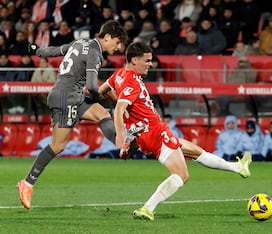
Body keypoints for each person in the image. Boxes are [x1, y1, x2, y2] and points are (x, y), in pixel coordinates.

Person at [99, 42, 252, 221]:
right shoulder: (131, 80)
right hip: (155, 131)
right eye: (147, 61)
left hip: (144, 134)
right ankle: (147, 208)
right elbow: (118, 109)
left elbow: (102, 91)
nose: (150, 64)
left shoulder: (118, 75)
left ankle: (237, 167)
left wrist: (125, 112)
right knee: (182, 175)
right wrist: (121, 135)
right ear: (134, 60)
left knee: (196, 152)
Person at [16, 20, 128, 210]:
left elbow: (55, 51)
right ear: (107, 37)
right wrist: (112, 99)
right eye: (117, 42)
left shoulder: (80, 43)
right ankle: (27, 183)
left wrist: (36, 50)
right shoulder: (95, 52)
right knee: (58, 145)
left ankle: (122, 143)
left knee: (101, 113)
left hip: (73, 96)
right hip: (66, 98)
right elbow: (93, 87)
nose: (118, 48)